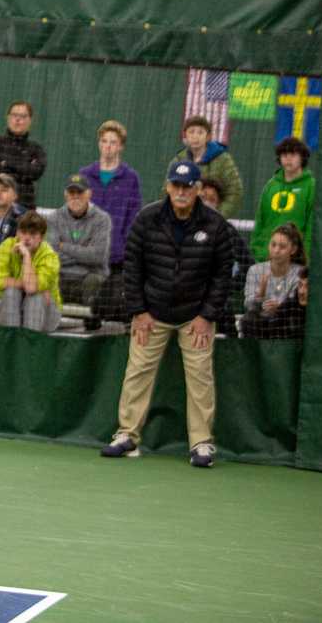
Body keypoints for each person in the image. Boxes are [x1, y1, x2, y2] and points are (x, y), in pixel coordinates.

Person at [101, 161, 233, 468]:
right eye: (177, 186)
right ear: (168, 187)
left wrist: (206, 315)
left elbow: (222, 275)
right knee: (137, 372)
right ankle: (127, 436)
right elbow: (132, 267)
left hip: (195, 317)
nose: (182, 192)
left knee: (200, 376)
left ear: (198, 189)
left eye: (188, 187)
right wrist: (139, 311)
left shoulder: (215, 224)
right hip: (152, 313)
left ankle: (201, 443)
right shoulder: (147, 218)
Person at [79, 120, 142, 323]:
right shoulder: (84, 175)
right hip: (86, 256)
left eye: (113, 142)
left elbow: (133, 216)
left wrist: (122, 246)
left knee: (111, 306)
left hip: (116, 258)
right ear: (99, 144)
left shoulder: (131, 178)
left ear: (121, 146)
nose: (108, 146)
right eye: (104, 141)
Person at [46, 174, 111, 330]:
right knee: (43, 277)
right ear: (65, 195)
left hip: (89, 278)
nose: (75, 197)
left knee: (95, 282)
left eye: (80, 193)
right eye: (71, 193)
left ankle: (91, 332)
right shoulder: (54, 218)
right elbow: (51, 255)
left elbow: (97, 256)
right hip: (61, 276)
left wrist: (64, 246)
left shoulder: (102, 219)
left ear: (89, 194)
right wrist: (84, 251)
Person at [199, 178, 254, 337]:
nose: (206, 203)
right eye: (203, 198)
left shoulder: (228, 231)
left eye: (212, 199)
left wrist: (226, 285)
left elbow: (248, 266)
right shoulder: (180, 227)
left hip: (218, 302)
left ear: (218, 204)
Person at [0, 211, 62, 332]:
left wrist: (27, 256)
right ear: (17, 232)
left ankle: (30, 343)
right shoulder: (6, 247)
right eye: (23, 233)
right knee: (11, 292)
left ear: (41, 237)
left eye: (33, 234)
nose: (27, 238)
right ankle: (11, 340)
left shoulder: (50, 256)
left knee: (35, 297)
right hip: (15, 306)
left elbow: (31, 289)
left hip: (47, 312)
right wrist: (23, 284)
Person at [249, 138, 316, 262]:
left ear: (302, 158)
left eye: (293, 155)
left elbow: (311, 225)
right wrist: (257, 249)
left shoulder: (311, 186)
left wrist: (305, 256)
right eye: (284, 155)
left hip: (295, 259)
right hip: (266, 256)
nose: (288, 159)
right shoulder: (271, 185)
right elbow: (260, 220)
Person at [166, 115, 244, 219]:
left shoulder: (223, 160)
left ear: (208, 136)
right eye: (191, 132)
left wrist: (218, 216)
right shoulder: (178, 160)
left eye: (200, 132)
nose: (195, 136)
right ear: (185, 135)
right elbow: (168, 189)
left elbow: (235, 191)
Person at [240, 224, 307, 339]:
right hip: (260, 326)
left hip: (285, 325)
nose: (276, 250)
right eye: (273, 245)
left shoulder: (300, 273)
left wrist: (280, 307)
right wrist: (260, 296)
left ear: (293, 249)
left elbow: (298, 306)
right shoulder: (255, 270)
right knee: (247, 320)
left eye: (282, 247)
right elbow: (248, 305)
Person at [0, 100, 47, 210]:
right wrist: (22, 168)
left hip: (24, 209)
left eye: (23, 116)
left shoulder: (36, 149)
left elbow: (35, 173)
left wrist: (6, 165)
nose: (18, 119)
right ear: (8, 118)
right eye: (14, 115)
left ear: (30, 120)